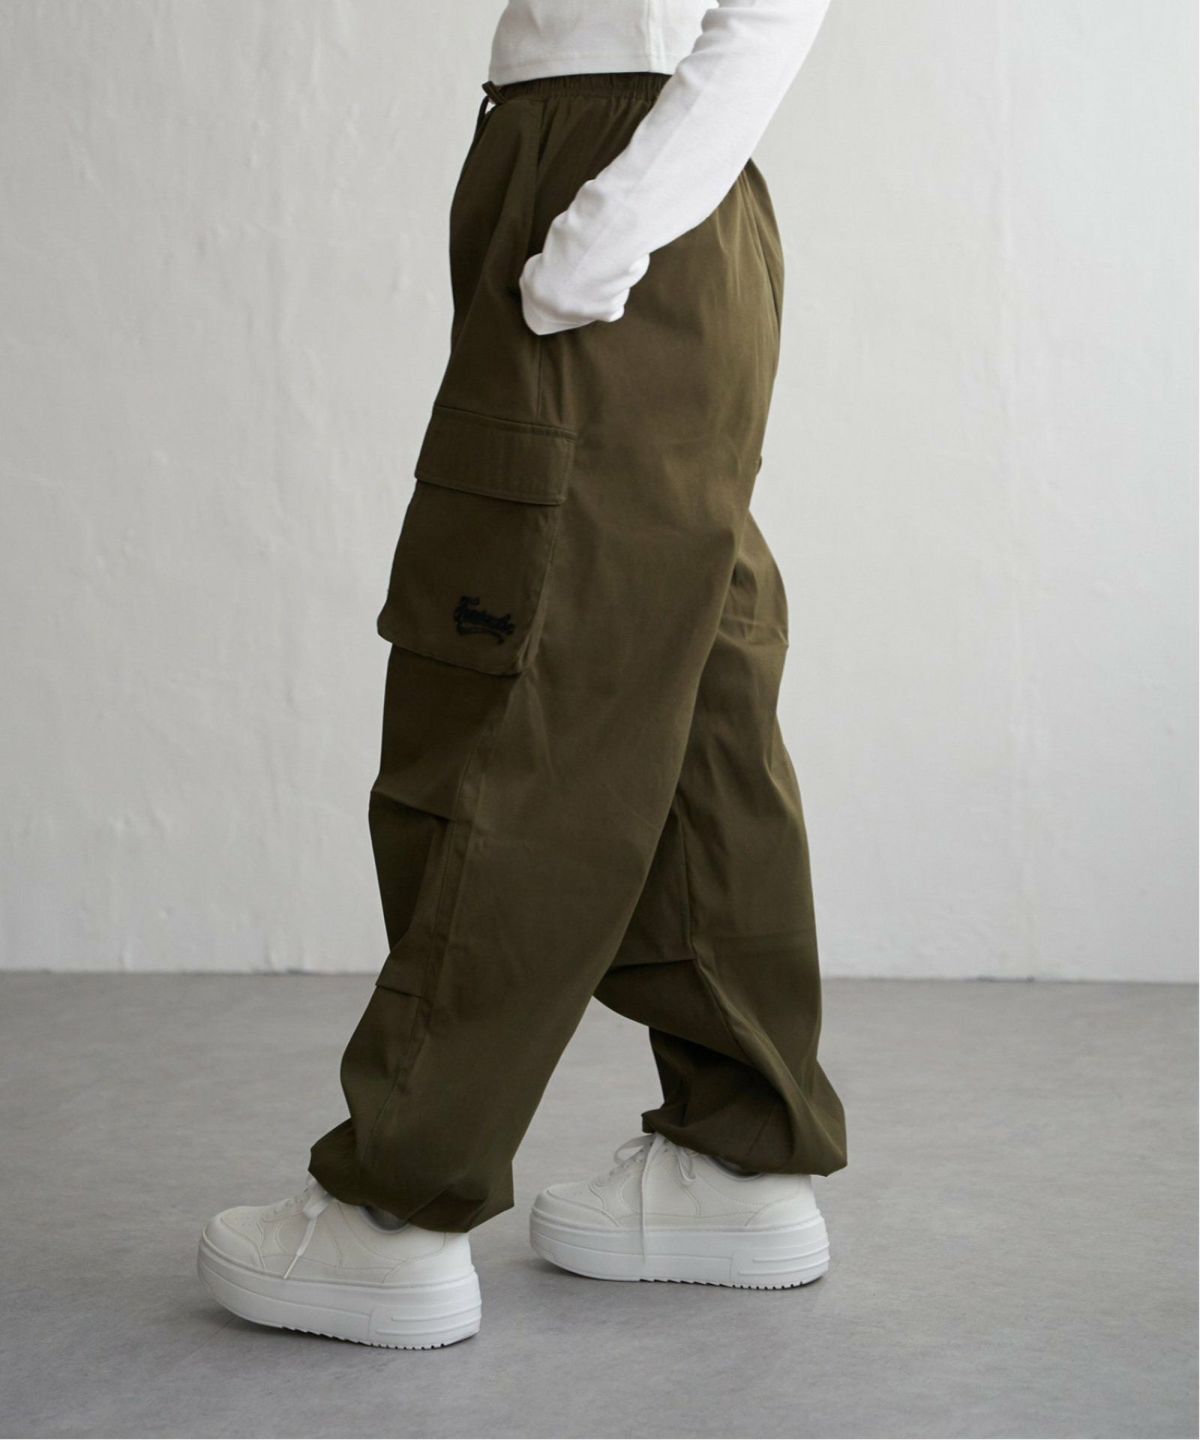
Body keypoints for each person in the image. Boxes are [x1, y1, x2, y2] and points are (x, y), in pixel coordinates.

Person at [197, 0, 845, 1350]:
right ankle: (736, 1154)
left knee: (519, 692)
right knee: (696, 680)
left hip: (620, 169)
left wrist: (606, 226)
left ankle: (394, 1211)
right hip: (644, 178)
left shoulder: (615, 179)